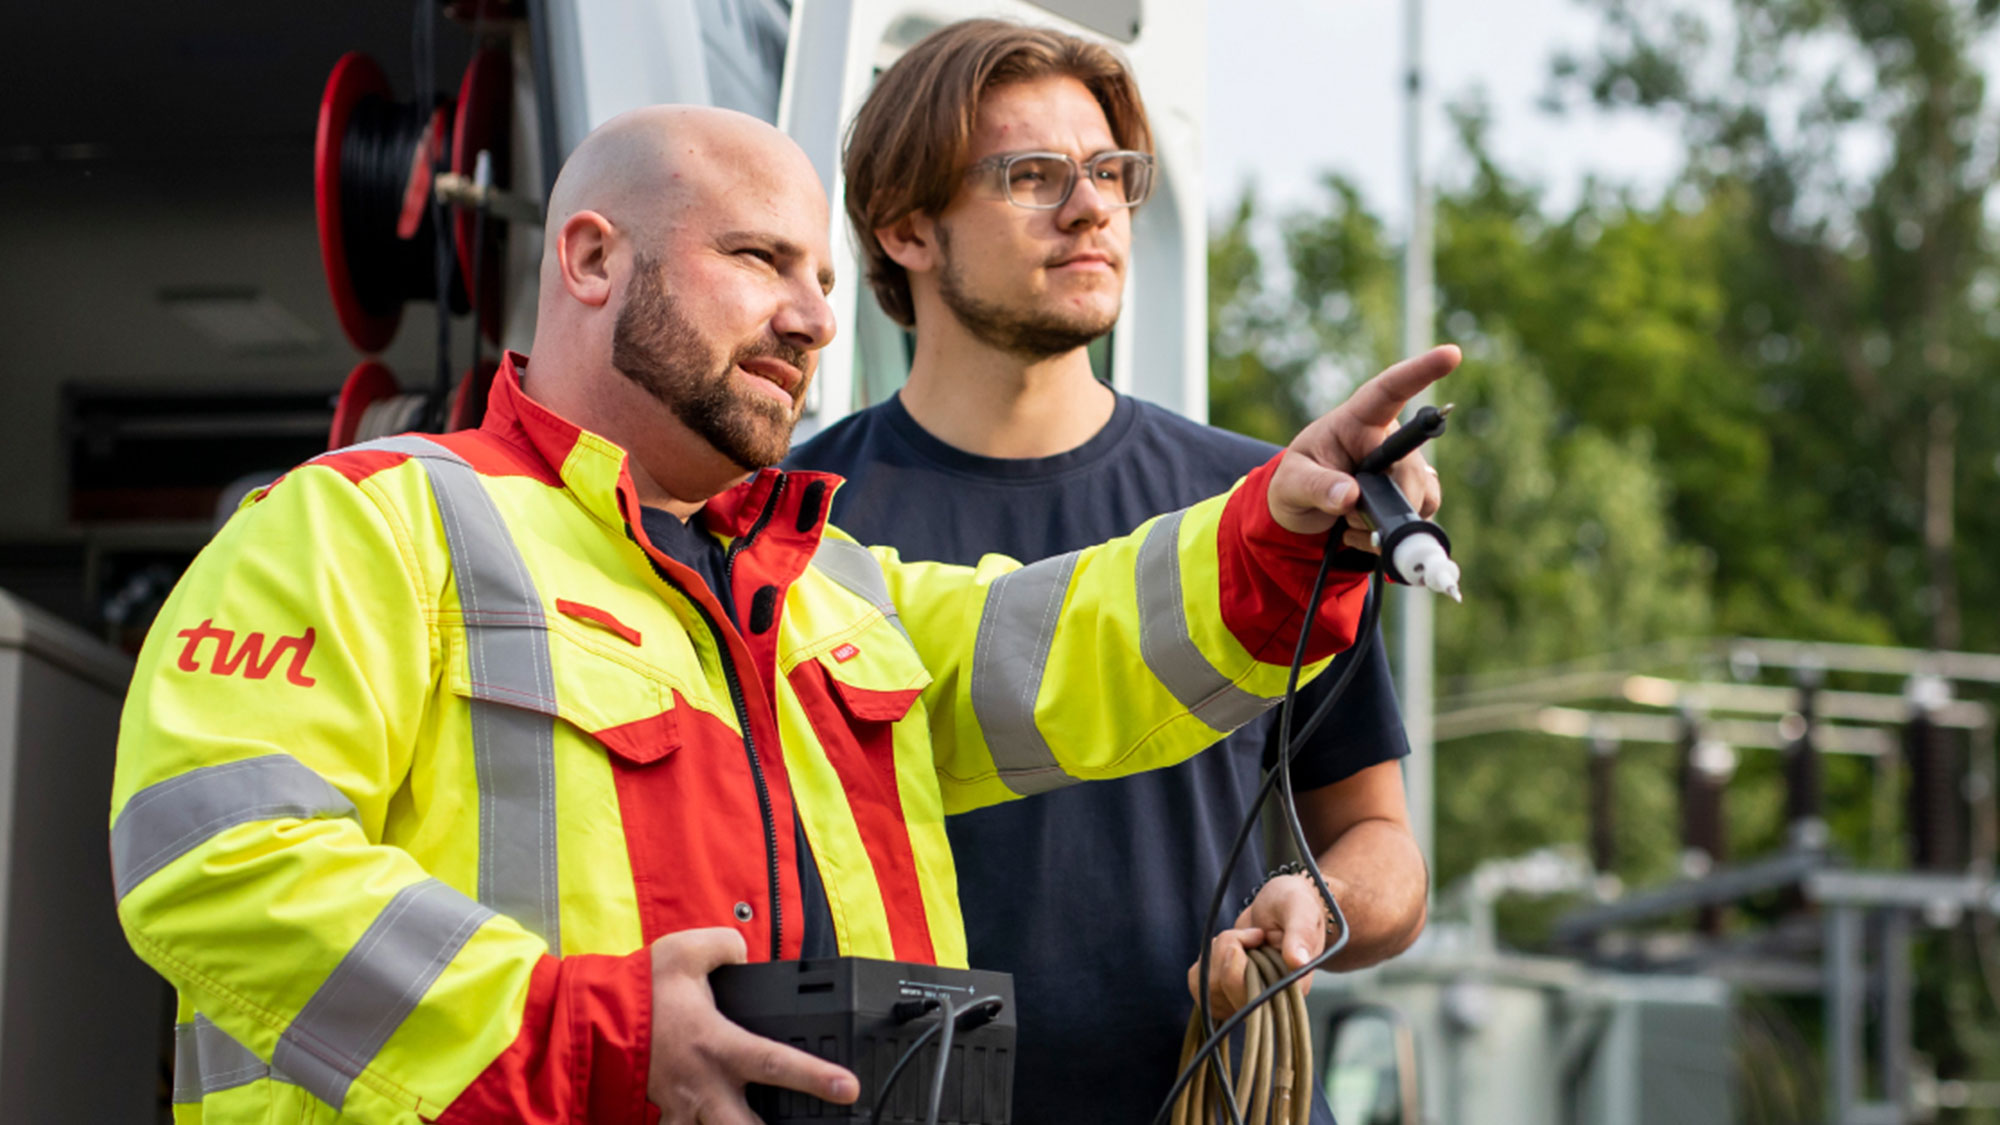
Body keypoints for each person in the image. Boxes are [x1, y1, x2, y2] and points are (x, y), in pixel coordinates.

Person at [109, 105, 1455, 1125]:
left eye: (820, 278)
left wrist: (1278, 530)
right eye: (759, 259)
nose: (814, 319)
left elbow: (1071, 643)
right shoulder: (364, 526)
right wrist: (598, 1034)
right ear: (591, 257)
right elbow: (216, 861)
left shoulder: (823, 587)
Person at [787, 20, 1433, 1123]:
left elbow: (1386, 849)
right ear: (905, 228)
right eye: (1030, 175)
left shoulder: (1268, 512)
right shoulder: (790, 525)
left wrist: (1316, 905)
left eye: (1110, 172)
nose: (1090, 208)